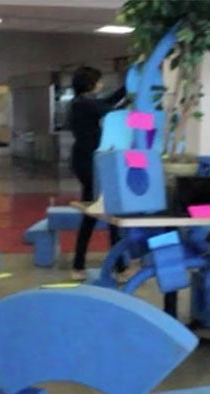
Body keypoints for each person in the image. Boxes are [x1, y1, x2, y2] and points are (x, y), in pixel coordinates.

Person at [68, 66, 127, 281]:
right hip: (88, 162)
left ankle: (83, 264)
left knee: (97, 211)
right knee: (103, 209)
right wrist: (130, 100)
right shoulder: (84, 104)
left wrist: (128, 86)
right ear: (90, 83)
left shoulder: (82, 103)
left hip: (89, 160)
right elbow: (109, 106)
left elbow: (108, 102)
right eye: (99, 81)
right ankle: (117, 266)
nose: (101, 84)